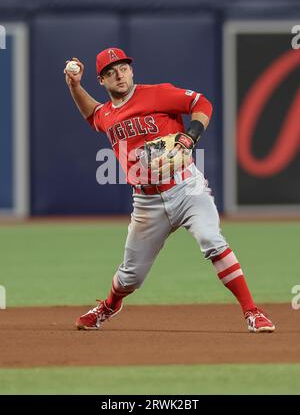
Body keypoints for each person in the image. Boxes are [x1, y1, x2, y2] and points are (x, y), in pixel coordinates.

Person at [64, 47, 275, 333]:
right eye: (110, 72)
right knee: (130, 277)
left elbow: (202, 103)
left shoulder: (156, 94)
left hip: (186, 186)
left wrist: (190, 136)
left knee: (212, 240)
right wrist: (75, 86)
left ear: (132, 70)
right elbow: (93, 114)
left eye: (123, 68)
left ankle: (253, 311)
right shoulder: (107, 116)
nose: (119, 75)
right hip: (147, 201)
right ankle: (109, 306)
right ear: (101, 81)